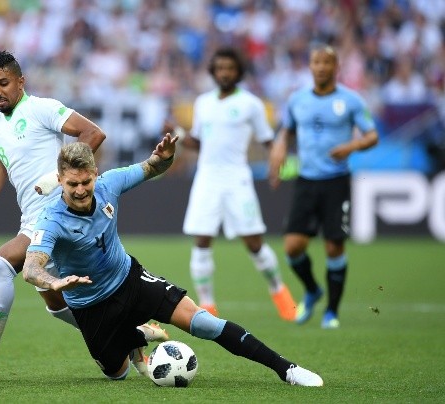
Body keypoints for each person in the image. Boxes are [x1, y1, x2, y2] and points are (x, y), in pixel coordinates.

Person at [0, 50, 167, 381]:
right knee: (58, 308)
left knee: (0, 264)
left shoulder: (41, 108)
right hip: (32, 220)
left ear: (21, 81)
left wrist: (59, 178)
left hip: (59, 217)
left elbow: (93, 134)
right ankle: (131, 334)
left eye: (3, 83)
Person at [21, 134, 323, 386]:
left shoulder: (109, 184)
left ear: (95, 173)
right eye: (72, 184)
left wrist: (165, 157)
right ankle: (138, 335)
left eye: (85, 182)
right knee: (117, 373)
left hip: (130, 280)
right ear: (59, 180)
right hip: (90, 305)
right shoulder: (51, 219)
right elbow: (31, 268)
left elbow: (154, 166)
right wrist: (55, 282)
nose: (80, 190)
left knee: (203, 323)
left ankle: (287, 369)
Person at [174, 47, 296, 321]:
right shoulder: (203, 103)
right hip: (206, 178)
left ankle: (279, 292)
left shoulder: (251, 104)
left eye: (230, 68)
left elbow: (269, 141)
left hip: (237, 179)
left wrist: (278, 167)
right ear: (213, 72)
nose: (224, 73)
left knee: (254, 242)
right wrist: (177, 133)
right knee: (201, 240)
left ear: (238, 72)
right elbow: (200, 142)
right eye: (220, 68)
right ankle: (207, 307)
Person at [268, 44, 379, 329]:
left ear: (336, 67)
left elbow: (372, 136)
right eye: (316, 62)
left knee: (333, 247)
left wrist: (351, 147)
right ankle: (313, 289)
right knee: (293, 247)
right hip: (306, 180)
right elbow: (286, 132)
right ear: (310, 66)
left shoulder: (351, 101)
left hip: (336, 182)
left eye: (327, 62)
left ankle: (331, 311)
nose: (321, 67)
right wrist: (279, 150)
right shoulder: (297, 100)